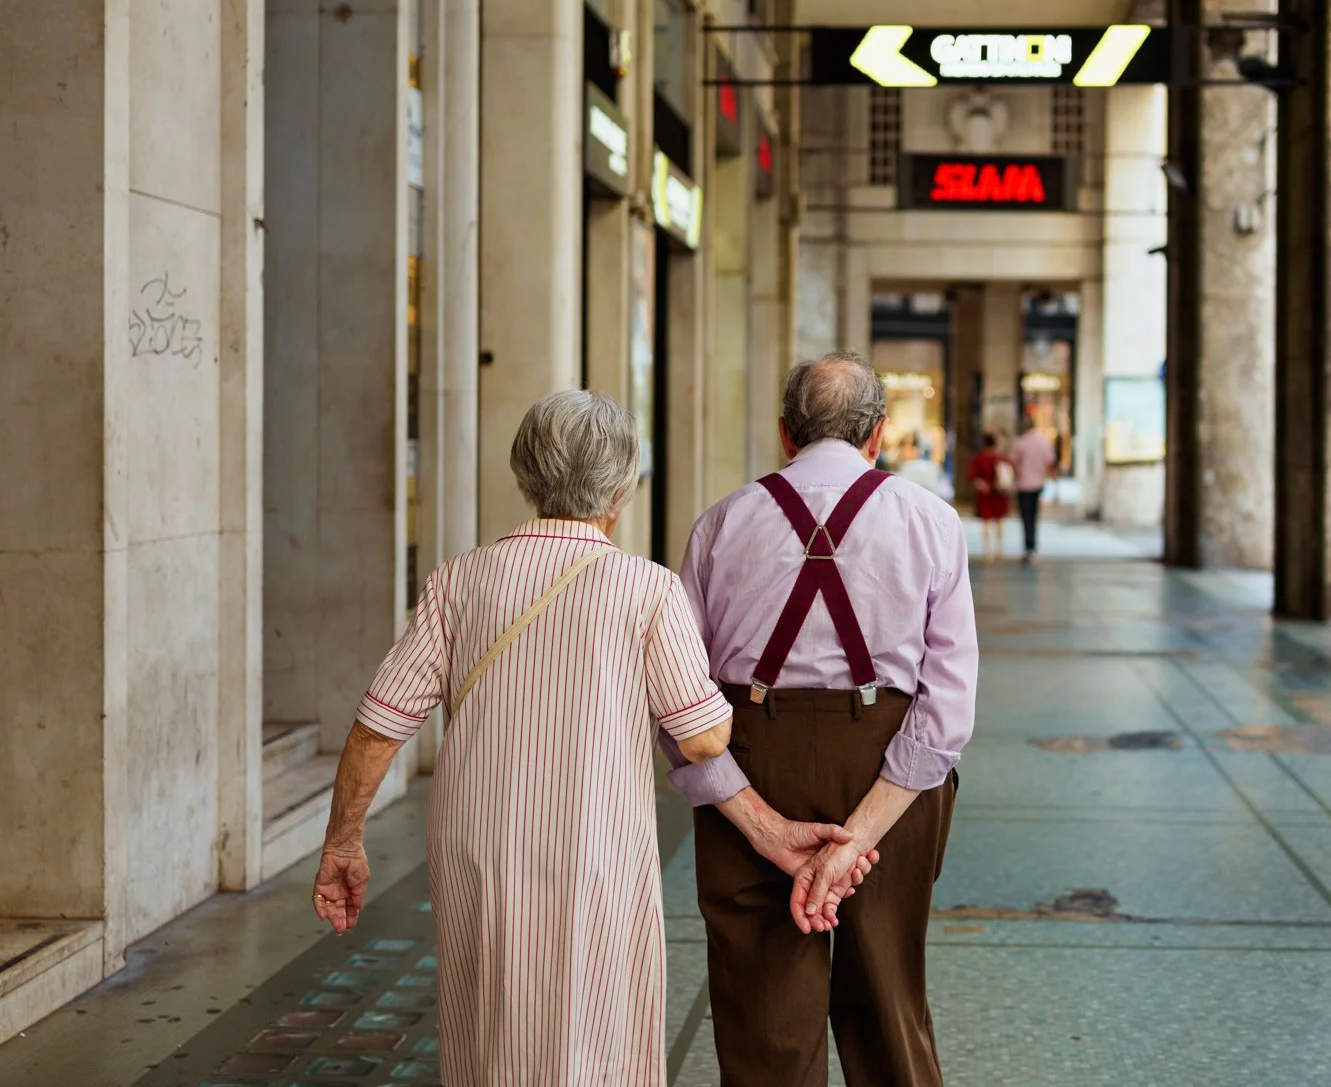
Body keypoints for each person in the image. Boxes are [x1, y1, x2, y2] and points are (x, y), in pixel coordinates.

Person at [311, 390, 874, 1086]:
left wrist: (344, 840)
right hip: (595, 847)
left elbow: (377, 729)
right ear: (622, 487)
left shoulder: (458, 580)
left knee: (485, 1021)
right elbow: (702, 740)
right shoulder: (646, 590)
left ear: (526, 473)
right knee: (596, 1027)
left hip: (477, 846)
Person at [675, 352, 978, 1086]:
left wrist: (754, 820)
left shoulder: (720, 524)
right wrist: (857, 841)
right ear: (876, 436)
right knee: (888, 994)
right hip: (889, 766)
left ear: (786, 433)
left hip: (751, 758)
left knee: (762, 1012)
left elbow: (679, 697)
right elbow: (947, 707)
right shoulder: (930, 522)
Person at [1006, 415, 1058, 562]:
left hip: (1023, 484)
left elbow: (1013, 463)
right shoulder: (1043, 442)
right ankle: (1032, 547)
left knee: (1026, 517)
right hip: (1038, 484)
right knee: (1034, 516)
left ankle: (1028, 547)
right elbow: (1049, 462)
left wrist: (1017, 476)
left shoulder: (1020, 442)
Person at [968, 430, 1012, 562]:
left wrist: (981, 485)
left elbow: (972, 476)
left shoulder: (979, 458)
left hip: (985, 494)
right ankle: (1000, 550)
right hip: (998, 493)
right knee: (999, 522)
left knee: (986, 523)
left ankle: (987, 552)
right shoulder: (1001, 457)